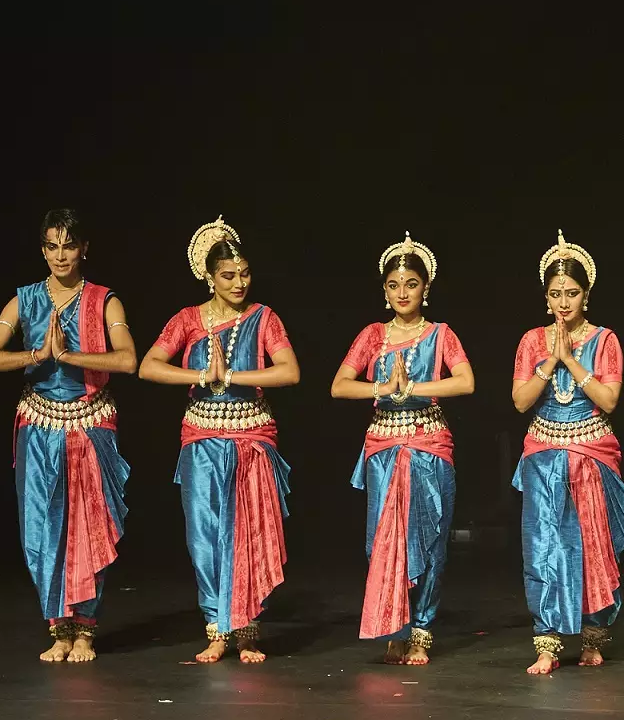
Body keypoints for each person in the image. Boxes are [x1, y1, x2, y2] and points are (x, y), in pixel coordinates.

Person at [0, 207, 137, 662]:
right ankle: (59, 628)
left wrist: (69, 358)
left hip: (91, 423)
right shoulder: (23, 301)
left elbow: (127, 360)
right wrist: (37, 355)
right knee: (42, 526)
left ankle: (85, 629)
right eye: (52, 246)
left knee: (89, 526)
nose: (61, 255)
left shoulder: (105, 301)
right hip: (40, 427)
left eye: (69, 246)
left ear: (84, 249)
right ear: (42, 250)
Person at [139, 216, 300, 663]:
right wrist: (199, 377)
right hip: (202, 437)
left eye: (245, 273)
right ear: (208, 277)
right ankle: (217, 627)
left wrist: (230, 378)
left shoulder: (264, 318)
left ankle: (246, 630)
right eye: (228, 275)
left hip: (251, 436)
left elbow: (289, 371)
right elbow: (149, 366)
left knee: (250, 531)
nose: (239, 283)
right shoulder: (188, 319)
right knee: (204, 534)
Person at [332, 233, 474, 665]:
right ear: (384, 290)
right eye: (394, 285)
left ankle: (422, 631)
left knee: (431, 540)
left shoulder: (441, 334)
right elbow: (339, 386)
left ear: (425, 288)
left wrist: (412, 388)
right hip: (384, 448)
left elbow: (466, 382)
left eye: (411, 284)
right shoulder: (373, 335)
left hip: (429, 445)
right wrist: (383, 389)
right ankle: (393, 628)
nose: (402, 293)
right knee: (382, 541)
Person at [510, 231, 624, 675]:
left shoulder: (605, 340)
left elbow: (609, 399)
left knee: (592, 546)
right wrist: (550, 361)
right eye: (555, 294)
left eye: (572, 293)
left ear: (587, 294)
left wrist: (571, 360)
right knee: (543, 546)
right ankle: (547, 642)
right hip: (543, 454)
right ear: (545, 298)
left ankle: (593, 637)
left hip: (592, 453)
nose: (564, 302)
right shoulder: (531, 341)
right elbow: (521, 401)